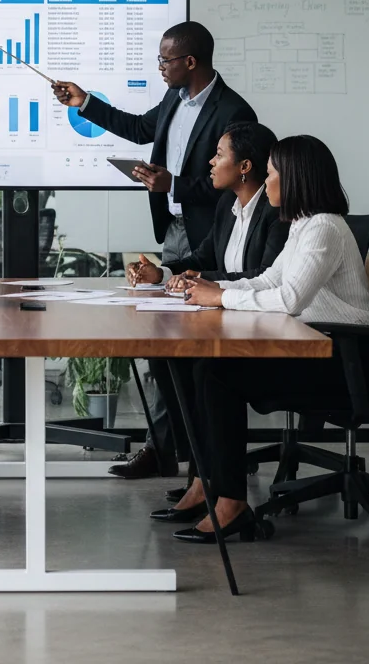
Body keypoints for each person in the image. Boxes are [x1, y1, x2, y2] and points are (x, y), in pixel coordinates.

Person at [52, 21, 256, 479]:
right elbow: (140, 127)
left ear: (190, 61)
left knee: (198, 347)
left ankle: (206, 459)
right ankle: (171, 450)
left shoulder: (234, 110)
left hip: (212, 237)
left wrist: (176, 184)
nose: (159, 67)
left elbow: (240, 181)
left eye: (165, 59)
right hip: (175, 228)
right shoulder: (173, 99)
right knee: (166, 340)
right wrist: (85, 103)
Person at [166, 135, 369, 544]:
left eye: (271, 174)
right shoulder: (305, 224)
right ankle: (215, 487)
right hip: (325, 345)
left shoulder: (323, 228)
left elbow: (289, 298)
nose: (267, 184)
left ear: (295, 178)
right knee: (207, 367)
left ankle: (229, 502)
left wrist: (224, 297)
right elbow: (270, 279)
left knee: (216, 374)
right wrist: (215, 289)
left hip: (351, 358)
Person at [123, 122, 289, 511]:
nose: (210, 163)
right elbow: (202, 259)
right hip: (231, 318)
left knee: (203, 370)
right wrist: (162, 274)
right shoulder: (227, 207)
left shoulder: (275, 212)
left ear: (245, 166)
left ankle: (210, 481)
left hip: (264, 326)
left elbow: (261, 276)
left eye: (219, 155)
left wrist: (202, 280)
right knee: (167, 358)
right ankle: (199, 475)